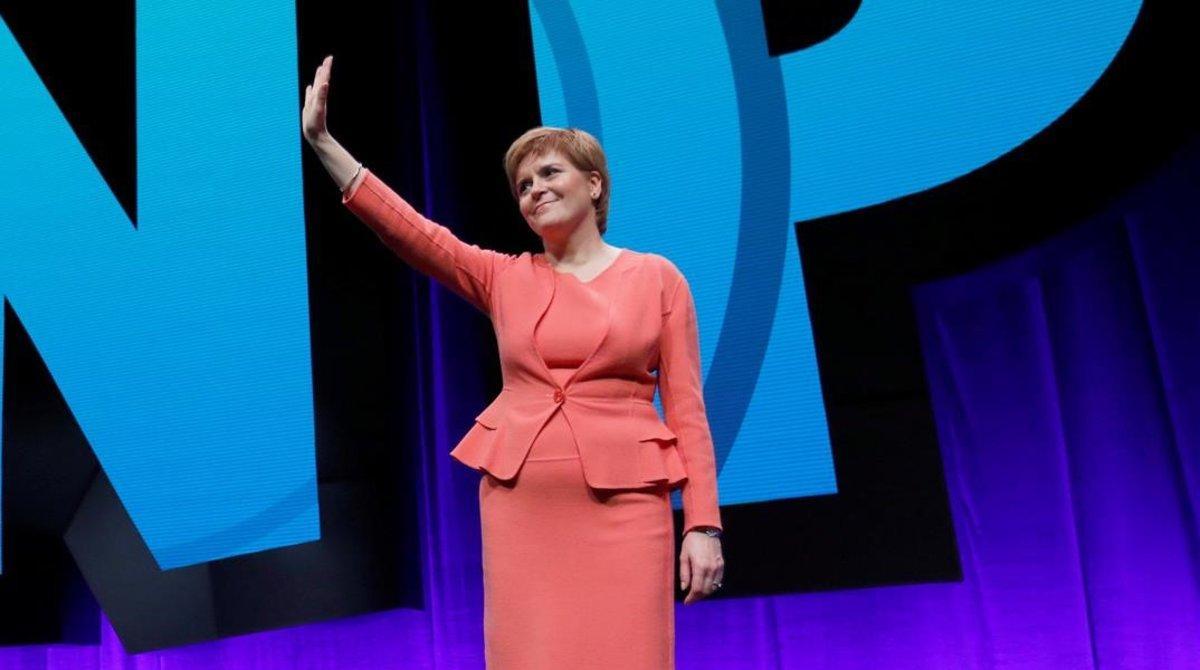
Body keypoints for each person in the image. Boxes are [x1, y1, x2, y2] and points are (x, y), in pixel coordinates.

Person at [302, 54, 724, 669]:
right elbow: (412, 232)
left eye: (549, 173)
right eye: (523, 186)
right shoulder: (505, 277)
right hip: (522, 502)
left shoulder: (656, 278)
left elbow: (688, 411)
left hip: (627, 506)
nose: (535, 191)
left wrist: (704, 526)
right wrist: (323, 144)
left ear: (595, 184)